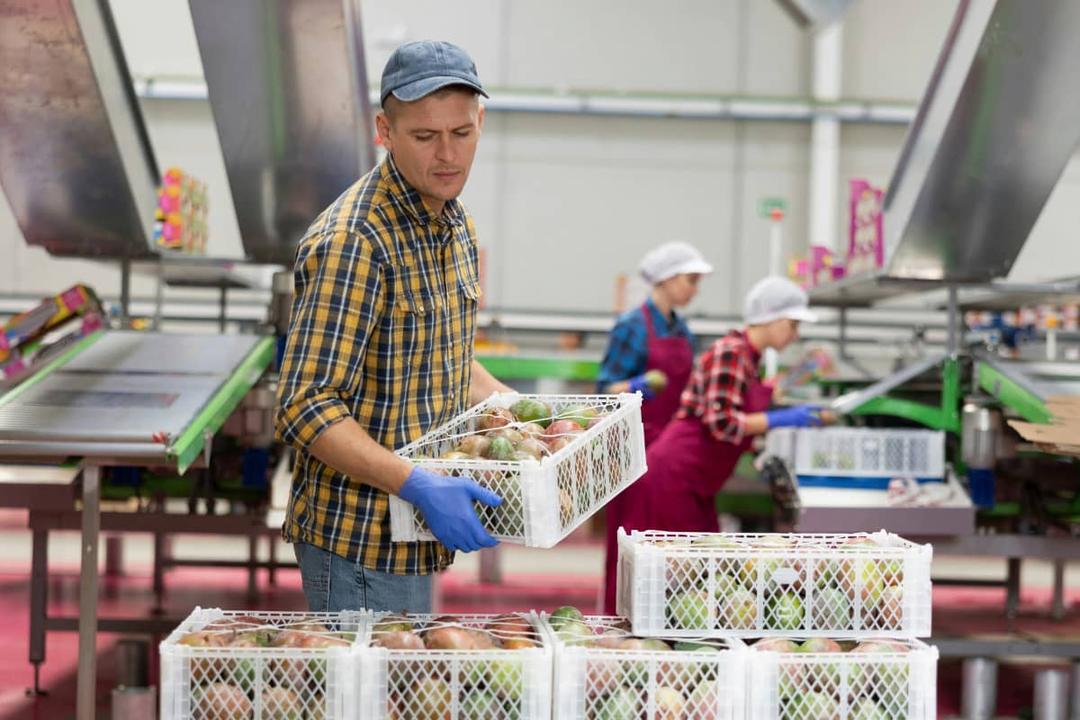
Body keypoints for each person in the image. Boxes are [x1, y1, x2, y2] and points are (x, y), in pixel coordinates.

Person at [275, 41, 513, 614]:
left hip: (416, 537)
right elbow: (306, 405)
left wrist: (528, 415)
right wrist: (417, 483)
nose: (448, 154)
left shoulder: (451, 223)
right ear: (384, 130)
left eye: (461, 132)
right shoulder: (356, 242)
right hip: (358, 544)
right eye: (425, 137)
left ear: (481, 122)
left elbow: (444, 355)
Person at [602, 275, 829, 613]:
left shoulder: (746, 359)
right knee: (670, 581)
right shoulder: (731, 353)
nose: (794, 334)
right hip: (673, 478)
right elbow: (721, 423)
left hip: (694, 483)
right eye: (793, 325)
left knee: (700, 576)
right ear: (774, 319)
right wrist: (782, 419)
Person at [598, 242, 711, 615]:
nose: (695, 289)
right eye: (691, 280)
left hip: (672, 449)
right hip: (635, 446)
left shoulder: (683, 330)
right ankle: (624, 618)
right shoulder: (632, 325)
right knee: (633, 538)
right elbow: (604, 389)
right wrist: (638, 384)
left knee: (674, 542)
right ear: (667, 279)